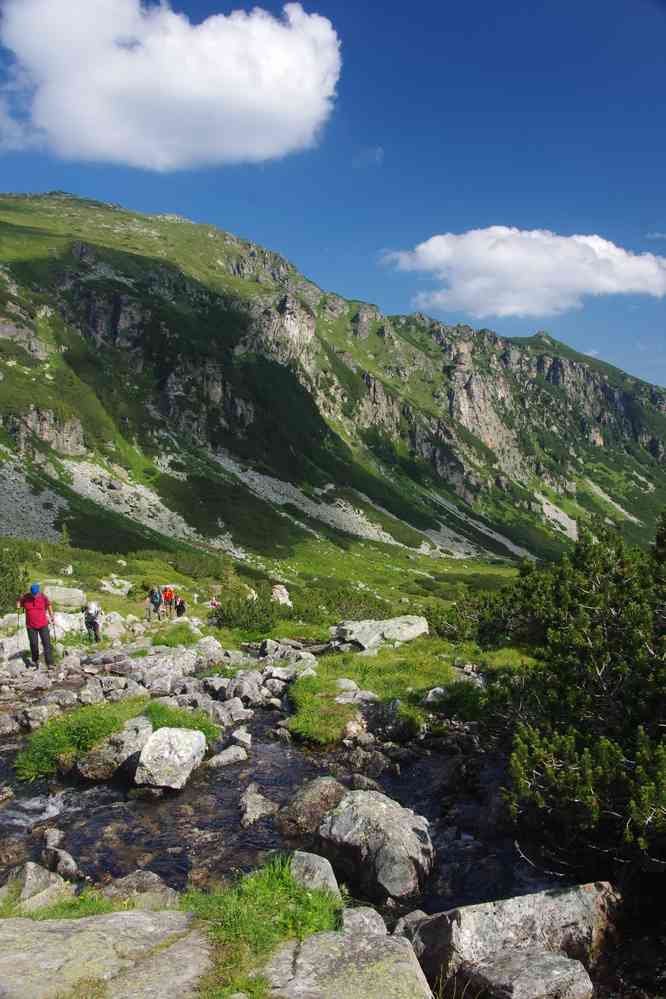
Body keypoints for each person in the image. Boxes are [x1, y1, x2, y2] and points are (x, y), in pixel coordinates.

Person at [17, 583, 55, 668]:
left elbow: (49, 605)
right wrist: (18, 604)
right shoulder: (25, 597)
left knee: (46, 643)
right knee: (33, 644)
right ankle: (35, 661)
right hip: (31, 626)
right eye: (33, 594)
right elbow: (19, 603)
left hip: (43, 624)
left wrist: (52, 616)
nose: (34, 596)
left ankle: (50, 663)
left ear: (38, 592)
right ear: (30, 592)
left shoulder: (43, 597)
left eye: (36, 594)